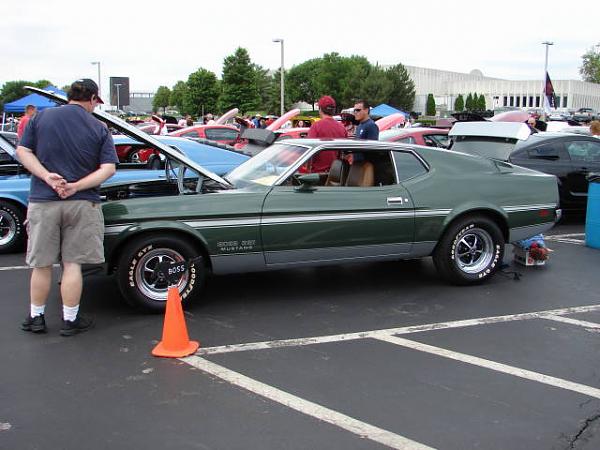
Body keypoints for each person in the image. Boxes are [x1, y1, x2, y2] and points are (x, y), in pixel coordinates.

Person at [16, 78, 118, 336]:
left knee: (42, 264)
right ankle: (70, 320)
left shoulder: (40, 118)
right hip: (82, 203)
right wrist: (76, 186)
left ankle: (36, 317)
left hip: (43, 200)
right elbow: (108, 168)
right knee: (72, 264)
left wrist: (47, 176)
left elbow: (23, 152)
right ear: (93, 98)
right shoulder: (99, 127)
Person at [305, 95, 348, 172]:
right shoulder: (342, 128)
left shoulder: (316, 126)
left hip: (318, 175)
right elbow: (344, 153)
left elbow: (308, 152)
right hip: (336, 175)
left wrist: (308, 171)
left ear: (320, 109)